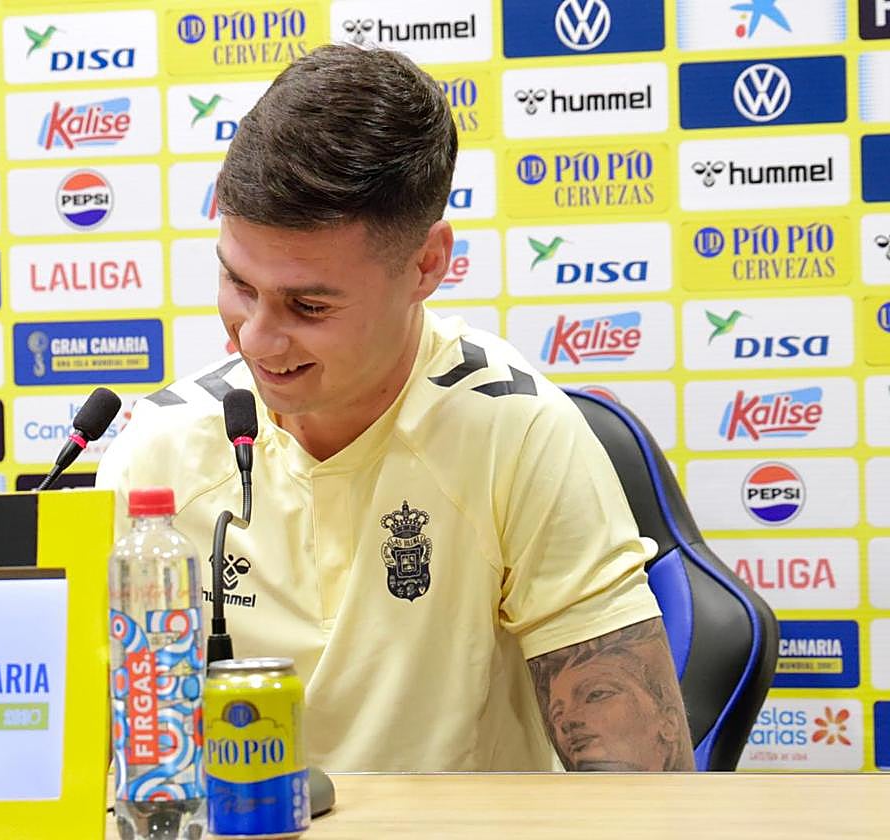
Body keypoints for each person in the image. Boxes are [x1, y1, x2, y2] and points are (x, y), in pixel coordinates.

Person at [96, 43, 695, 772]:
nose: (255, 339)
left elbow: (643, 781)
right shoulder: (156, 452)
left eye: (309, 306)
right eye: (239, 286)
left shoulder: (519, 433)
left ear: (427, 265)